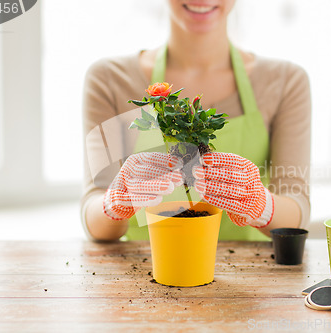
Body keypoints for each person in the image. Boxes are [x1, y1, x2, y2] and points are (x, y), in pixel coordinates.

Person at [81, 0, 311, 242]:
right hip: (146, 267)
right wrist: (116, 201)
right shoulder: (110, 79)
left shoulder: (285, 81)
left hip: (252, 272)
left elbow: (297, 212)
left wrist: (261, 204)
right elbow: (94, 219)